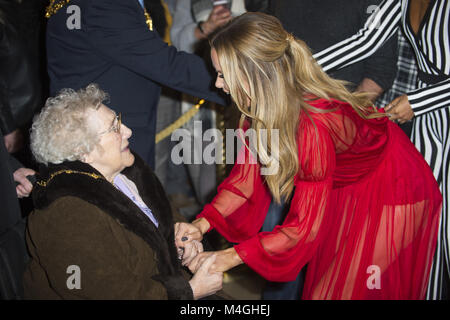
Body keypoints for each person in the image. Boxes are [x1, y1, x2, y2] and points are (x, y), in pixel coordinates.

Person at [174, 12, 442, 300]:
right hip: (342, 185)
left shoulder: (310, 127)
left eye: (224, 74)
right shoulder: (257, 111)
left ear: (255, 75)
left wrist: (227, 257)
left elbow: (302, 229)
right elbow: (244, 184)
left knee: (349, 291)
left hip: (392, 184)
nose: (217, 84)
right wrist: (200, 225)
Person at [23, 85, 223, 300]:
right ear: (83, 152)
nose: (127, 131)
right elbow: (104, 293)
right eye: (114, 128)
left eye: (118, 120)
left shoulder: (127, 175)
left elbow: (165, 221)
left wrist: (183, 242)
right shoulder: (65, 213)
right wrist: (190, 291)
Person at [312, 0, 450, 300]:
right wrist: (292, 69)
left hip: (431, 114)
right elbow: (367, 40)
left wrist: (420, 100)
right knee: (429, 237)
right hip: (431, 128)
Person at [45, 0, 226, 169]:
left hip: (97, 131)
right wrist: (238, 79)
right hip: (105, 140)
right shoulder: (104, 4)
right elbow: (167, 64)